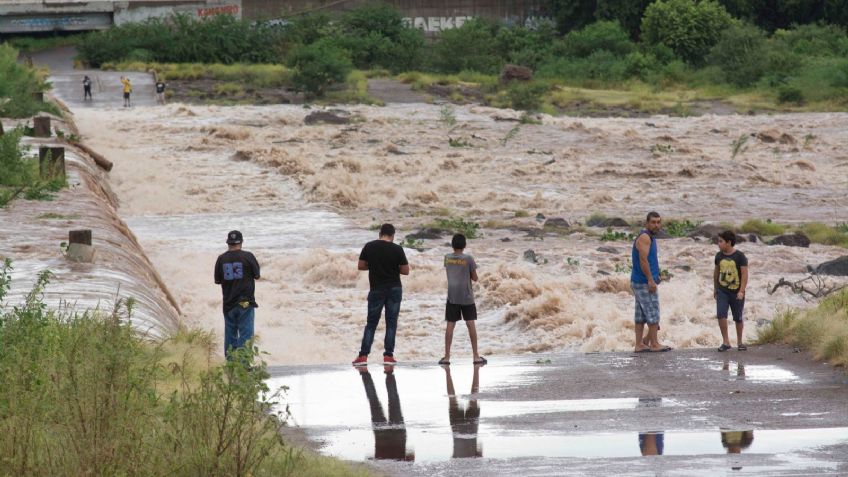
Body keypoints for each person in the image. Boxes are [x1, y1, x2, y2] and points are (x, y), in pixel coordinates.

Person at [353, 224, 409, 366]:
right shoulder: (397, 249)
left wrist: (374, 265)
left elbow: (360, 265)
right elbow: (405, 270)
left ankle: (363, 356)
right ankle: (388, 356)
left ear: (380, 233)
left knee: (371, 323)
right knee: (391, 323)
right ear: (393, 235)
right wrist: (393, 267)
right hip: (394, 289)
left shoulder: (369, 246)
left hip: (376, 289)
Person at [439, 233, 486, 365]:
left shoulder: (447, 258)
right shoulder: (468, 259)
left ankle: (447, 357)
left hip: (452, 295)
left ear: (452, 245)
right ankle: (476, 356)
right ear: (464, 245)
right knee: (470, 325)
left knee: (450, 324)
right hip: (466, 295)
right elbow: (475, 278)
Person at [214, 230, 261, 359]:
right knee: (246, 334)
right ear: (241, 242)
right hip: (245, 303)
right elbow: (257, 275)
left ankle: (230, 365)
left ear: (228, 243)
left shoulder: (221, 259)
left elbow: (217, 280)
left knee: (230, 334)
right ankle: (244, 364)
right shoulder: (248, 256)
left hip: (228, 303)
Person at [631, 211, 672, 353]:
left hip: (640, 281)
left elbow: (651, 260)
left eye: (658, 222)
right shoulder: (645, 237)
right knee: (653, 312)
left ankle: (639, 344)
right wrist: (650, 280)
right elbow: (643, 260)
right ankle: (654, 344)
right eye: (653, 222)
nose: (656, 225)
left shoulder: (650, 238)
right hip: (643, 282)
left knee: (640, 315)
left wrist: (657, 275)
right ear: (646, 223)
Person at [358, 367, 414, 461]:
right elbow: (368, 460)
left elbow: (411, 457)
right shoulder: (382, 467)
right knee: (374, 402)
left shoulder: (397, 469)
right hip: (382, 439)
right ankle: (365, 374)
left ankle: (389, 373)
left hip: (398, 437)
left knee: (394, 402)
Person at [714, 230, 749, 352]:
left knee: (738, 317)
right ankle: (726, 342)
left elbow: (744, 275)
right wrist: (715, 289)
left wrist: (741, 291)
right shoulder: (718, 256)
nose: (718, 244)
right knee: (721, 315)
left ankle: (740, 342)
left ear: (728, 242)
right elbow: (716, 273)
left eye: (720, 241)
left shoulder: (740, 256)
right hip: (722, 291)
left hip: (737, 291)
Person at [444, 364, 483, 458]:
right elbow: (479, 453)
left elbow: (479, 453)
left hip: (469, 429)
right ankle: (448, 372)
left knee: (472, 399)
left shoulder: (463, 462)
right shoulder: (457, 461)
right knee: (453, 400)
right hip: (459, 430)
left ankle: (448, 370)